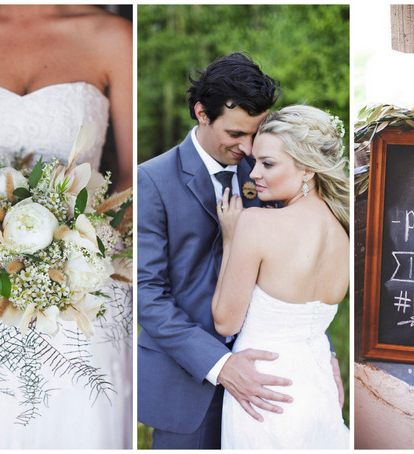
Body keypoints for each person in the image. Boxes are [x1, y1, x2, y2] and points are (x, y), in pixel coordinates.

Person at [0, 5, 132, 449]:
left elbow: (132, 180)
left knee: (77, 416)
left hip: (82, 282)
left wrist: (69, 255)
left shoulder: (113, 37)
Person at [139, 52, 331, 449]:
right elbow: (147, 294)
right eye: (235, 134)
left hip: (271, 385)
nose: (246, 148)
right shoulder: (151, 181)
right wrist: (220, 365)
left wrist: (321, 352)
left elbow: (299, 269)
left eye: (255, 133)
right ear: (201, 114)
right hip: (188, 383)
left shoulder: (271, 173)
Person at [213, 105, 350, 449]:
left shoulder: (257, 222)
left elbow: (226, 322)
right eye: (256, 161)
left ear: (306, 168)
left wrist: (230, 240)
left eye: (268, 164)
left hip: (265, 397)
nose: (254, 173)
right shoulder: (343, 234)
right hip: (319, 394)